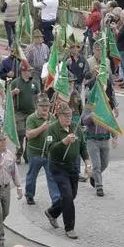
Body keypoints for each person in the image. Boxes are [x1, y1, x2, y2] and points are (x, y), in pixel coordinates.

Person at [44, 104, 88, 239]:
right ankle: (69, 228)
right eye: (66, 116)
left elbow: (82, 146)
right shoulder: (51, 129)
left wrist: (87, 163)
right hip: (58, 167)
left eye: (70, 115)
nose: (69, 118)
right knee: (68, 196)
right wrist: (64, 141)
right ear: (59, 115)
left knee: (72, 195)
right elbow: (49, 149)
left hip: (72, 167)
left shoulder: (76, 127)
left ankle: (52, 212)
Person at [23, 95, 61, 206]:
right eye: (42, 106)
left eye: (47, 106)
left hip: (49, 154)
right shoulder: (32, 118)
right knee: (32, 175)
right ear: (37, 106)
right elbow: (29, 135)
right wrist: (42, 128)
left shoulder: (53, 118)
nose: (45, 108)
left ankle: (56, 199)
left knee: (52, 177)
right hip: (35, 153)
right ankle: (29, 195)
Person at [9, 64, 41, 161]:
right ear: (23, 72)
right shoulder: (15, 82)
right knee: (20, 133)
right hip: (19, 112)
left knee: (29, 135)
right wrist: (13, 92)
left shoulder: (34, 83)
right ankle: (19, 153)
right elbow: (7, 97)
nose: (30, 72)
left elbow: (38, 95)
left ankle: (27, 155)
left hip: (31, 112)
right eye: (28, 71)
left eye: (30, 71)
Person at [81, 99, 112, 197]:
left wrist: (115, 137)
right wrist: (90, 117)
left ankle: (93, 176)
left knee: (105, 163)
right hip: (92, 139)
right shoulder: (89, 107)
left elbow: (111, 122)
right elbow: (83, 121)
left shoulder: (106, 106)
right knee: (97, 164)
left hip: (105, 139)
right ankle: (99, 187)